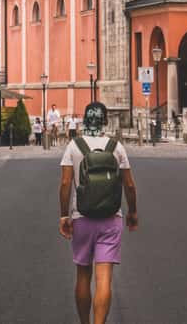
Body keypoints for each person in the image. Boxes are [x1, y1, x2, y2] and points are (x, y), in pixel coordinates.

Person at [59, 102, 138, 324]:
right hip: (110, 219)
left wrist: (64, 215)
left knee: (83, 276)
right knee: (104, 279)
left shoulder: (74, 146)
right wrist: (132, 212)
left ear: (85, 120)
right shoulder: (117, 147)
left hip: (81, 218)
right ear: (105, 121)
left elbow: (65, 183)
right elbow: (130, 185)